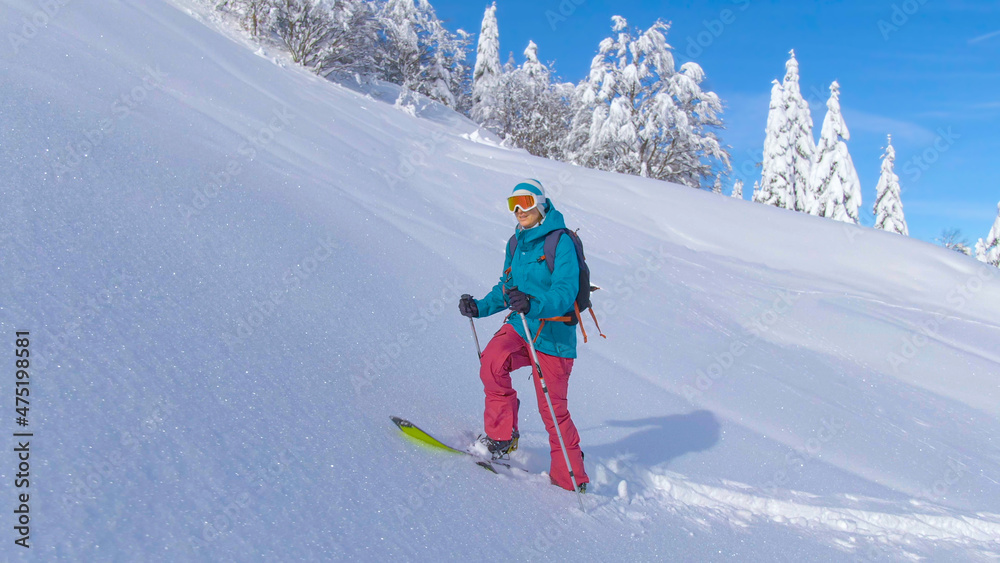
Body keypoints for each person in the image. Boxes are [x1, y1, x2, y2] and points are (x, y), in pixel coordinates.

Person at [458, 179, 589, 493]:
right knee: (492, 360)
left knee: (552, 410)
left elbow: (565, 290)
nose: (519, 210)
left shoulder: (560, 242)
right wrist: (479, 307)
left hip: (554, 336)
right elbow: (506, 289)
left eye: (525, 201)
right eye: (512, 203)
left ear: (541, 203)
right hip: (521, 328)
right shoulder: (515, 244)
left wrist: (534, 303)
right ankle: (502, 437)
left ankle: (570, 477)